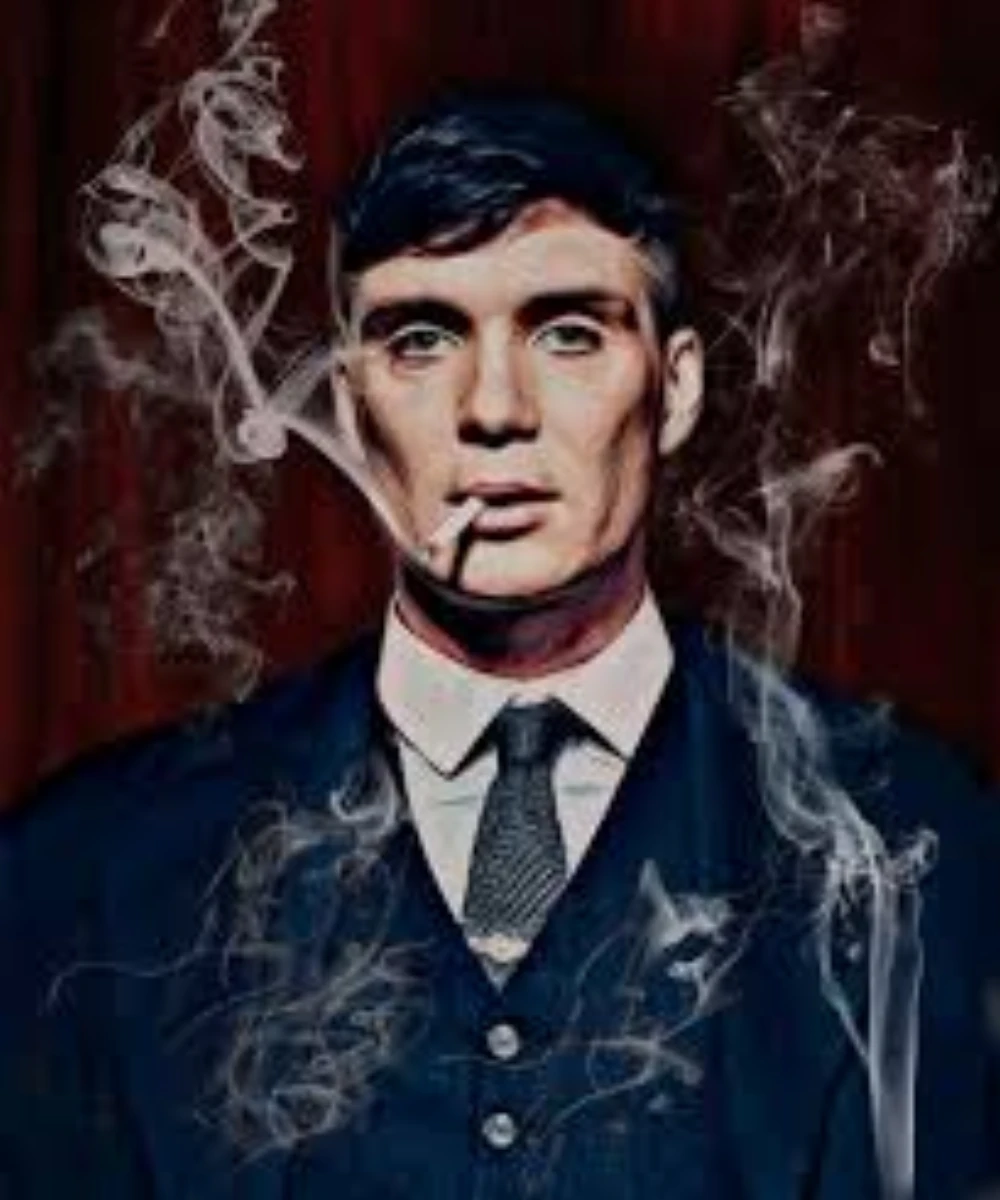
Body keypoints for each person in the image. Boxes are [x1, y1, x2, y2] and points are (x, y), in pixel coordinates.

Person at [1, 92, 998, 1200]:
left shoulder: (911, 846)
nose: (493, 408)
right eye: (421, 340)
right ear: (350, 407)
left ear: (674, 389)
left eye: (568, 333)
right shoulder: (95, 874)